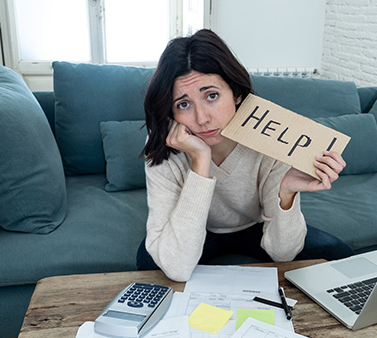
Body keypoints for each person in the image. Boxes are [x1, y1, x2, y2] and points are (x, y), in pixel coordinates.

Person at [137, 29, 353, 282]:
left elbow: (283, 254)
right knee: (150, 261)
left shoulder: (272, 135)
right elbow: (178, 268)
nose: (202, 119)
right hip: (194, 228)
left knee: (336, 252)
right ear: (171, 112)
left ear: (237, 95)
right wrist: (200, 160)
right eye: (183, 104)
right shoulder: (161, 144)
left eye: (212, 96)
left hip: (257, 225)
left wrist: (286, 192)